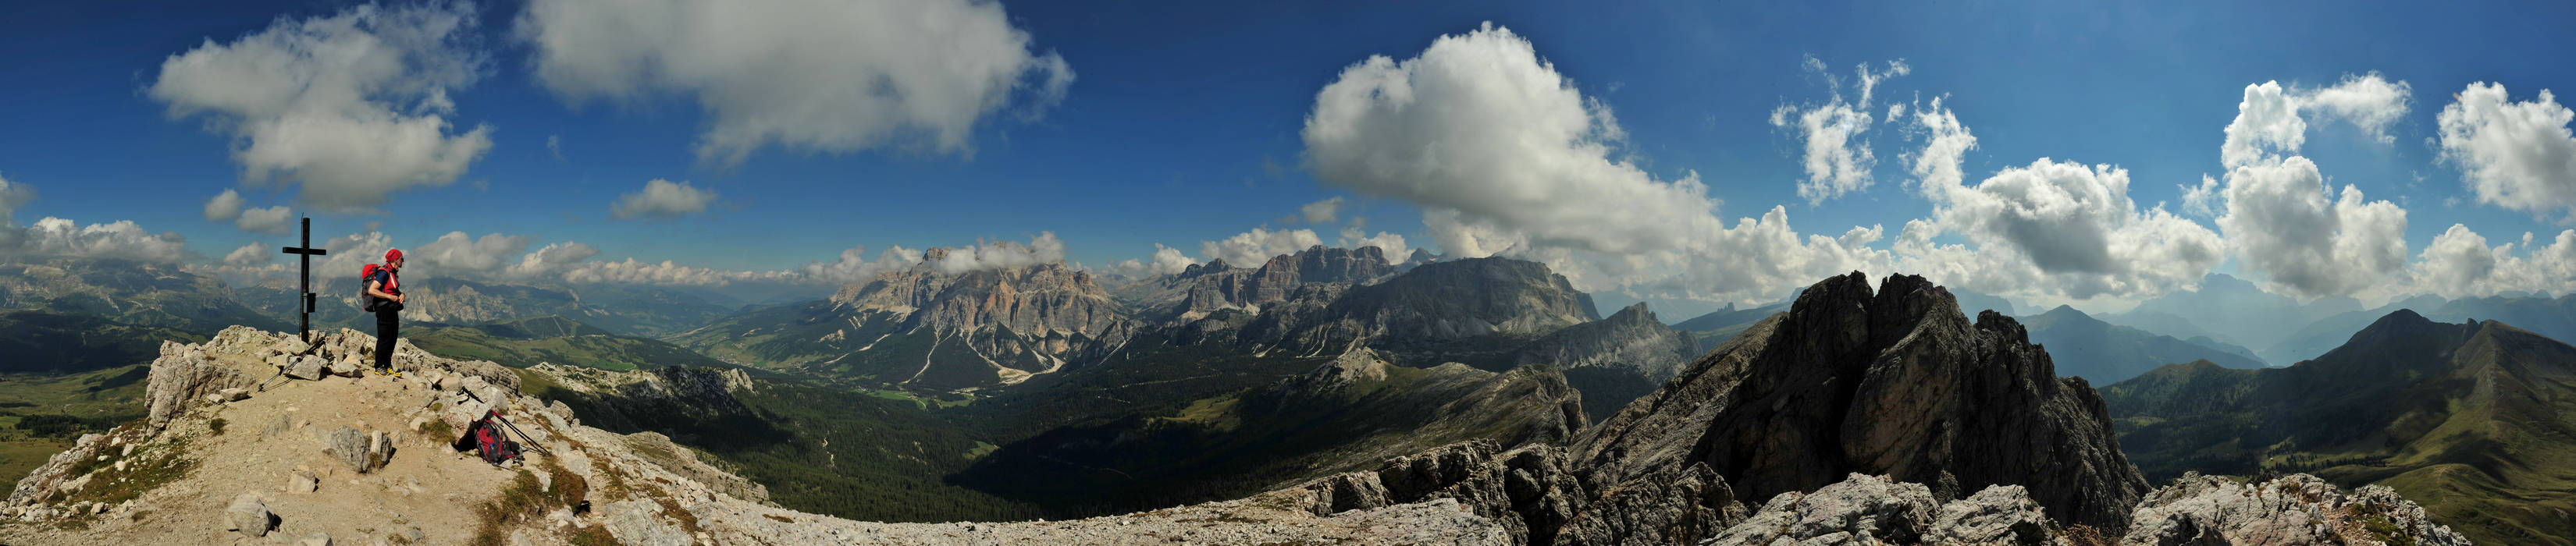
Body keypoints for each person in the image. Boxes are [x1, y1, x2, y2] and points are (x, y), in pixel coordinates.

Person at [365, 248, 406, 376]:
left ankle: (387, 365)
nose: (403, 261)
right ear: (395, 259)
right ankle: (378, 366)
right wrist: (389, 297)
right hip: (383, 309)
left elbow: (393, 290)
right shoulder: (384, 272)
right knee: (384, 337)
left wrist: (401, 294)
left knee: (392, 337)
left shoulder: (393, 272)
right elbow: (372, 290)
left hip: (391, 308)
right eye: (401, 259)